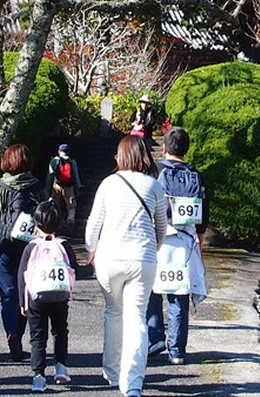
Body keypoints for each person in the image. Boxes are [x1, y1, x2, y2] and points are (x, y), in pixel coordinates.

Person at [85, 135, 167, 397]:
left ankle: (111, 371)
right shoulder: (153, 186)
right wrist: (151, 250)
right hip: (142, 259)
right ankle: (132, 383)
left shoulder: (109, 184)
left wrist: (91, 251)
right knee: (136, 319)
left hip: (109, 258)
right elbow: (162, 228)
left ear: (120, 156)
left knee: (113, 313)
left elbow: (93, 226)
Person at [145, 127, 209, 365]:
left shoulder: (154, 173)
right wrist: (199, 245)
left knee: (152, 291)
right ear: (187, 149)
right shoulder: (196, 175)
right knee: (179, 295)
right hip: (185, 241)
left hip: (158, 239)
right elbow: (203, 218)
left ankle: (154, 338)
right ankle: (177, 351)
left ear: (164, 148)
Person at [0, 144, 44, 362]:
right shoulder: (37, 185)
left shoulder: (1, 186)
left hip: (4, 246)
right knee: (23, 292)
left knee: (8, 293)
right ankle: (20, 334)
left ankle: (12, 336)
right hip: (30, 248)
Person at [18, 200, 77, 393]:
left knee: (37, 337)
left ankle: (38, 376)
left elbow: (22, 275)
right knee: (60, 330)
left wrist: (22, 301)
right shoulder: (64, 245)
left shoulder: (31, 247)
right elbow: (74, 269)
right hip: (60, 294)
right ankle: (61, 366)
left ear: (36, 224)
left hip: (36, 297)